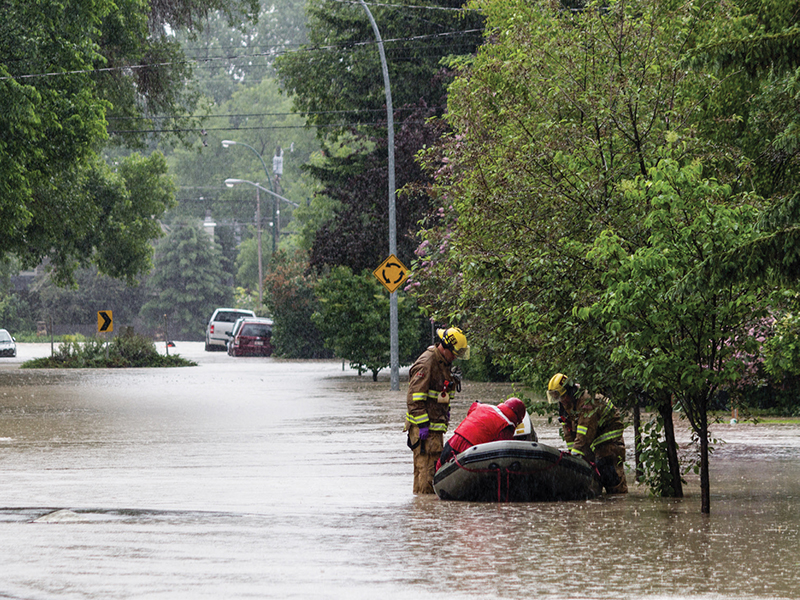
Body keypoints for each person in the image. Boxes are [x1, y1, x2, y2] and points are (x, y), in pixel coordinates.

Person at [405, 327, 469, 494]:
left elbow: (443, 395)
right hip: (425, 431)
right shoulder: (427, 363)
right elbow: (414, 399)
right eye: (454, 353)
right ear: (445, 347)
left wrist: (453, 382)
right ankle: (425, 514)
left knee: (427, 474)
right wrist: (423, 425)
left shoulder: (443, 362)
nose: (455, 357)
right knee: (427, 477)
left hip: (434, 429)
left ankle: (423, 512)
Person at [547, 373, 628, 494]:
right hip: (592, 437)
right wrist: (572, 455)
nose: (559, 400)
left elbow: (584, 433)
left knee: (607, 469)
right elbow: (569, 432)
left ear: (569, 391)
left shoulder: (587, 401)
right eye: (554, 396)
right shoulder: (565, 405)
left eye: (559, 395)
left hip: (608, 436)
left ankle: (618, 499)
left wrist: (576, 456)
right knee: (590, 474)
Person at [436, 398, 528, 470]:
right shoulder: (506, 426)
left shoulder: (482, 406)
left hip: (453, 442)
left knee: (437, 474)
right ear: (517, 418)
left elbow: (471, 411)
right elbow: (504, 454)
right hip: (471, 451)